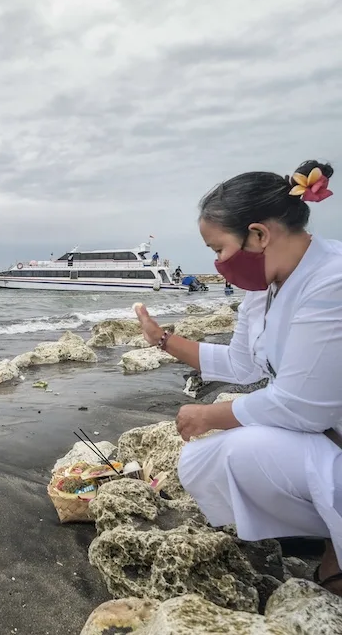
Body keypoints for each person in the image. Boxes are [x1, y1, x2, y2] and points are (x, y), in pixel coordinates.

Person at [134, 160, 342, 595]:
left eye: (218, 249)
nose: (217, 263)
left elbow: (301, 406)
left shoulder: (332, 280)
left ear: (259, 234)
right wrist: (163, 340)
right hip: (329, 434)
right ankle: (326, 529)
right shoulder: (266, 285)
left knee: (232, 452)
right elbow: (244, 364)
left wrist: (212, 414)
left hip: (326, 428)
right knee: (206, 458)